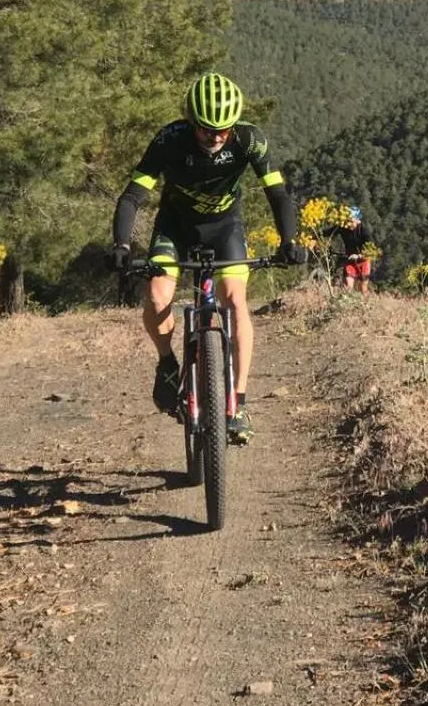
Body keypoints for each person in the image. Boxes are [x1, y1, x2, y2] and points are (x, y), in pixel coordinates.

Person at [111, 72, 305, 443]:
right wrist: (122, 244)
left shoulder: (249, 139)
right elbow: (133, 195)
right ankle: (167, 362)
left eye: (223, 130)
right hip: (175, 227)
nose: (215, 137)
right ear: (190, 120)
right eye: (205, 129)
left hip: (224, 228)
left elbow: (278, 194)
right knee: (156, 295)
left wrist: (289, 240)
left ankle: (239, 403)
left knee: (234, 300)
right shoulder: (169, 139)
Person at [331, 205, 375, 294]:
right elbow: (328, 232)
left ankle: (366, 305)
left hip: (363, 261)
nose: (348, 223)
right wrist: (312, 237)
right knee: (348, 287)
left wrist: (359, 255)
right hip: (350, 260)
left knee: (363, 288)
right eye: (347, 221)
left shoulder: (364, 231)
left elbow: (371, 248)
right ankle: (348, 305)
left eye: (351, 221)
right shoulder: (343, 228)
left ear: (357, 220)